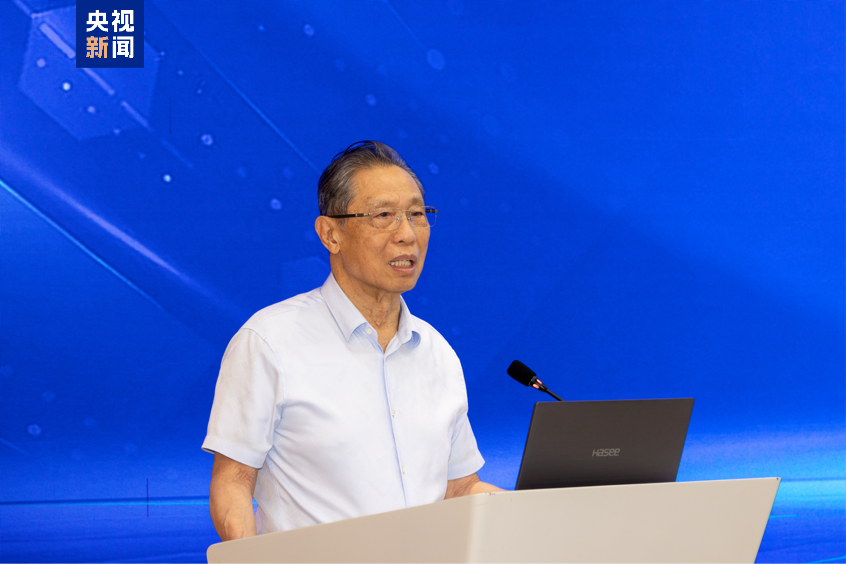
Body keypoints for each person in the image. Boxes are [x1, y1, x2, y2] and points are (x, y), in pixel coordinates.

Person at [202, 141, 501, 541]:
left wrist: (545, 512)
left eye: (417, 215)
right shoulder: (270, 341)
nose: (407, 235)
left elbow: (460, 489)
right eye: (383, 216)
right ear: (331, 234)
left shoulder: (437, 352)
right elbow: (233, 483)